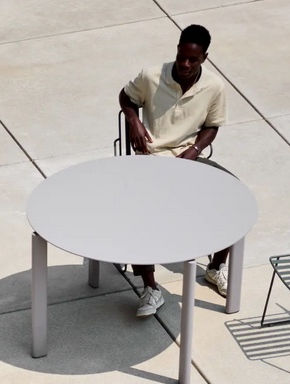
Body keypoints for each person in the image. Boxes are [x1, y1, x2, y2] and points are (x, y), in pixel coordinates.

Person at [118, 24, 229, 318]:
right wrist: (134, 120)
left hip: (188, 160)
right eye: (182, 56)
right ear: (177, 50)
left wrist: (194, 150)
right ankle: (151, 288)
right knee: (140, 214)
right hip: (150, 158)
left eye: (193, 60)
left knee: (231, 199)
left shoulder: (215, 87)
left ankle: (215, 268)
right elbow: (125, 97)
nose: (185, 64)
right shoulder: (151, 76)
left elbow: (212, 126)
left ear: (204, 57)